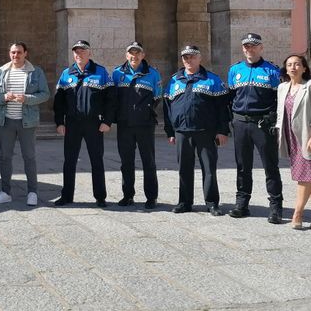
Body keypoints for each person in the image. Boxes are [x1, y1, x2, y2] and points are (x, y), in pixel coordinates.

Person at [163, 45, 230, 216]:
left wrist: (222, 130)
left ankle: (212, 203)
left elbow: (223, 108)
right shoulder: (174, 81)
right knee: (184, 169)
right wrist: (170, 132)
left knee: (209, 169)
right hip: (182, 132)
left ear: (200, 58)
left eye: (192, 57)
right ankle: (184, 202)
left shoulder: (212, 80)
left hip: (206, 131)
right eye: (185, 57)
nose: (188, 60)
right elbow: (167, 108)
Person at [227, 33, 284, 223]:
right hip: (241, 123)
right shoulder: (235, 70)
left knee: (270, 165)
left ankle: (276, 207)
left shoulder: (273, 71)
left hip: (263, 124)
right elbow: (230, 97)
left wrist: (274, 119)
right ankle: (242, 204)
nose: (249, 49)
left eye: (253, 46)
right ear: (243, 49)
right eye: (246, 47)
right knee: (243, 165)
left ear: (261, 48)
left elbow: (280, 100)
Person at [53, 40, 115, 207]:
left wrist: (107, 121)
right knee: (69, 161)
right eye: (76, 52)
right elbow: (59, 101)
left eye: (82, 51)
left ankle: (100, 197)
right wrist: (60, 122)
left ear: (90, 53)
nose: (79, 54)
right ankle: (66, 196)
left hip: (94, 124)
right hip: (72, 124)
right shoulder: (67, 73)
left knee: (97, 160)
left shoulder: (101, 72)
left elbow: (110, 99)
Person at [0, 42, 50, 206]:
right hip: (6, 121)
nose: (16, 56)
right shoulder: (0, 72)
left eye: (19, 53)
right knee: (5, 157)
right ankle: (5, 192)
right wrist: (3, 97)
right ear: (10, 54)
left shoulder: (36, 72)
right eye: (13, 53)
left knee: (29, 157)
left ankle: (32, 192)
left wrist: (27, 99)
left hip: (26, 122)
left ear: (25, 53)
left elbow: (45, 94)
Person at [276, 54, 311, 230]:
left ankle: (297, 214)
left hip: (308, 137)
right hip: (291, 137)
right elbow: (281, 113)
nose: (293, 67)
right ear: (285, 69)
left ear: (304, 68)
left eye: (297, 64)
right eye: (289, 65)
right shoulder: (282, 87)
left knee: (304, 176)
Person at [111, 41, 162, 209]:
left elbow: (157, 96)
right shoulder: (117, 73)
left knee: (149, 161)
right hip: (125, 124)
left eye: (137, 53)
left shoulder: (153, 74)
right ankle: (128, 195)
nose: (134, 56)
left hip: (145, 125)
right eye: (131, 53)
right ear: (126, 55)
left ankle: (151, 197)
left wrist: (144, 112)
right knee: (126, 162)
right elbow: (113, 98)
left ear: (143, 55)